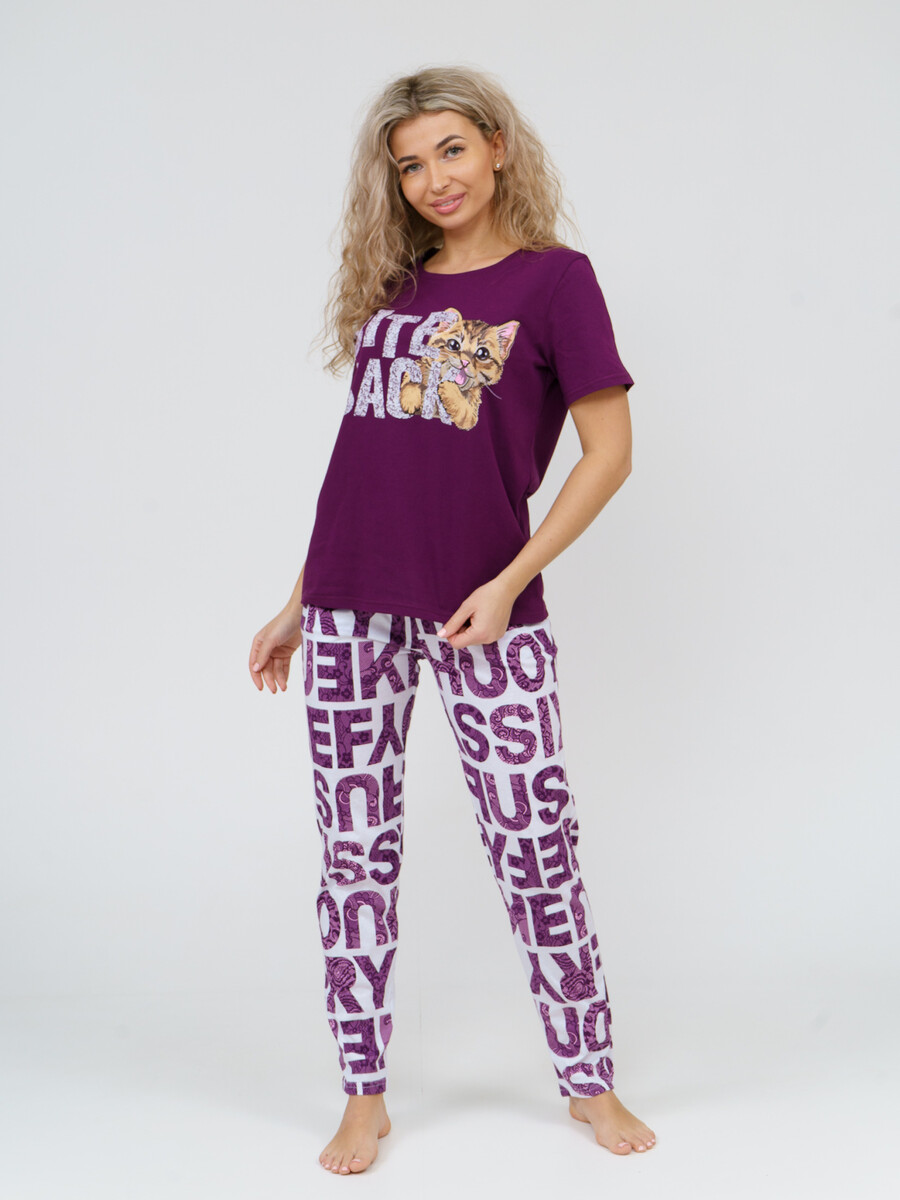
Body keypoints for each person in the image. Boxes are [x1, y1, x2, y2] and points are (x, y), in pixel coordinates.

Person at [248, 65, 657, 1176]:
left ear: (497, 147)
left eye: (451, 151)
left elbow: (609, 455)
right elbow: (365, 465)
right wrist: (298, 601)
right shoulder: (396, 291)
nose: (434, 179)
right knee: (354, 854)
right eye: (410, 164)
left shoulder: (556, 282)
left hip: (486, 608)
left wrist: (511, 578)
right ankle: (363, 1097)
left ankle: (590, 1080)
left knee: (535, 845)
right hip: (348, 608)